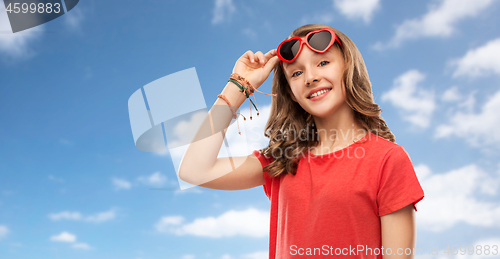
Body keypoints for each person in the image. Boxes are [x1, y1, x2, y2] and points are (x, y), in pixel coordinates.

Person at [179, 24, 425, 259]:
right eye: (296, 73)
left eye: (323, 63)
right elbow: (194, 170)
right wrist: (238, 86)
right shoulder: (282, 161)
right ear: (292, 94)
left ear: (348, 67)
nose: (310, 77)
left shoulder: (387, 159)